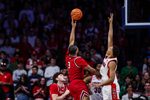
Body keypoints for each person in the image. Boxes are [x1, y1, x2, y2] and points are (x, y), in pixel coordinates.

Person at [65, 19, 96, 100]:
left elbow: (71, 41)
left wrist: (73, 27)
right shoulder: (78, 59)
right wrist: (99, 73)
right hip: (78, 83)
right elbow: (90, 69)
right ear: (77, 51)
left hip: (71, 84)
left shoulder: (67, 57)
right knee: (86, 98)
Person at [95, 13, 120, 100]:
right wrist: (110, 24)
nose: (109, 48)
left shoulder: (112, 62)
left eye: (111, 48)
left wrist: (100, 84)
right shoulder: (108, 55)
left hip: (111, 86)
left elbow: (112, 79)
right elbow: (110, 37)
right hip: (105, 85)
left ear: (112, 53)